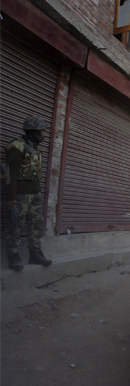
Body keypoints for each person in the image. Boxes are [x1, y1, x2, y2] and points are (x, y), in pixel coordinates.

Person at [4, 115, 52, 271]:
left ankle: (35, 254)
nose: (45, 134)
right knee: (15, 224)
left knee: (36, 224)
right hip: (20, 195)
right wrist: (11, 198)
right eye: (43, 131)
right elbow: (10, 174)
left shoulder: (36, 150)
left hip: (35, 195)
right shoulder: (16, 146)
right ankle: (13, 254)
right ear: (34, 130)